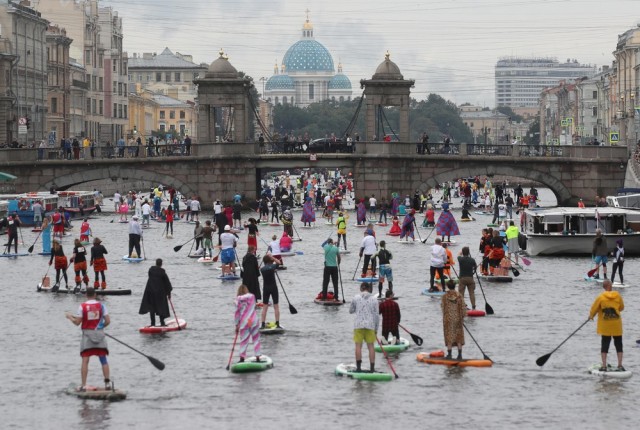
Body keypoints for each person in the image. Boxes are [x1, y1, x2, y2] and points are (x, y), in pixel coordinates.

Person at [65, 287, 111, 392]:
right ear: (95, 295)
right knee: (103, 359)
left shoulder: (82, 307)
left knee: (85, 361)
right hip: (100, 336)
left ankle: (84, 385)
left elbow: (77, 323)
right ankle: (107, 384)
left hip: (87, 337)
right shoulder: (101, 306)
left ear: (86, 295)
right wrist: (100, 328)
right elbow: (108, 321)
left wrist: (69, 317)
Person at [589, 280, 625, 371]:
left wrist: (591, 316)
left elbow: (594, 309)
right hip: (616, 325)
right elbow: (622, 307)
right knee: (619, 345)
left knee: (605, 345)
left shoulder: (600, 297)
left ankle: (604, 366)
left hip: (605, 326)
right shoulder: (618, 296)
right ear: (611, 286)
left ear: (604, 287)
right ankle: (620, 365)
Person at [349, 282, 379, 372]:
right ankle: (372, 369)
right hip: (370, 325)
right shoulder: (374, 299)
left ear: (361, 288)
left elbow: (351, 310)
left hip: (358, 325)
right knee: (371, 346)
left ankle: (358, 368)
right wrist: (376, 329)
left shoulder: (356, 298)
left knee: (358, 346)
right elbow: (376, 315)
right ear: (369, 289)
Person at [139, 258, 173, 327]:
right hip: (160, 293)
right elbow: (167, 284)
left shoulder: (150, 271)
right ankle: (162, 322)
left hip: (150, 292)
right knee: (161, 307)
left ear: (156, 263)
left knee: (152, 308)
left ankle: (152, 323)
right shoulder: (163, 273)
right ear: (161, 264)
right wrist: (169, 294)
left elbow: (151, 279)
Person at [235, 284, 262, 363]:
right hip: (253, 320)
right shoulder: (252, 297)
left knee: (244, 340)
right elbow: (249, 299)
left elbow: (237, 314)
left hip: (244, 322)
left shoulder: (237, 300)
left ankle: (242, 358)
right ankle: (257, 356)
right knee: (256, 339)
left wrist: (237, 325)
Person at [442, 280, 465, 360]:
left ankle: (449, 354)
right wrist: (462, 316)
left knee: (449, 336)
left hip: (448, 319)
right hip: (458, 318)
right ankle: (459, 355)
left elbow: (443, 308)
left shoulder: (445, 296)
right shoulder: (459, 295)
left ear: (448, 286)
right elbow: (463, 307)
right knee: (458, 336)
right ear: (455, 286)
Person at [260, 254, 282, 328]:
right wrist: (272, 257)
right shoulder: (272, 267)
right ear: (270, 260)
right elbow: (279, 262)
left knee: (265, 307)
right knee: (276, 306)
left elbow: (268, 268)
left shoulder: (262, 269)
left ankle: (263, 323)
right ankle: (277, 323)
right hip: (273, 288)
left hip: (266, 289)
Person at [321, 237, 341, 301]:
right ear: (332, 242)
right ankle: (336, 297)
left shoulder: (325, 247)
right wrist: (338, 263)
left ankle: (324, 297)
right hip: (334, 267)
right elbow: (339, 257)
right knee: (335, 283)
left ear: (328, 242)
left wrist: (327, 240)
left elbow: (322, 244)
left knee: (325, 282)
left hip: (327, 267)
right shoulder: (336, 248)